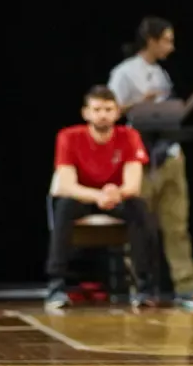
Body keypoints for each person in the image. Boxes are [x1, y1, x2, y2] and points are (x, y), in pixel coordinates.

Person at [109, 16, 193, 306]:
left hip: (170, 153)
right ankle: (141, 288)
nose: (171, 47)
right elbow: (110, 108)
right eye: (167, 40)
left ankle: (186, 289)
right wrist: (140, 103)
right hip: (141, 157)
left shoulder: (161, 73)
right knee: (141, 227)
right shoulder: (124, 72)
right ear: (152, 40)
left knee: (177, 226)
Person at [46, 86, 160, 309]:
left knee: (139, 208)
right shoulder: (69, 137)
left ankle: (145, 287)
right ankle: (56, 286)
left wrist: (115, 193)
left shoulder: (129, 136)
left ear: (117, 112)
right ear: (86, 113)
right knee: (63, 207)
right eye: (97, 109)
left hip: (115, 197)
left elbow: (133, 185)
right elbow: (67, 185)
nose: (103, 114)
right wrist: (98, 195)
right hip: (84, 197)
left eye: (108, 109)